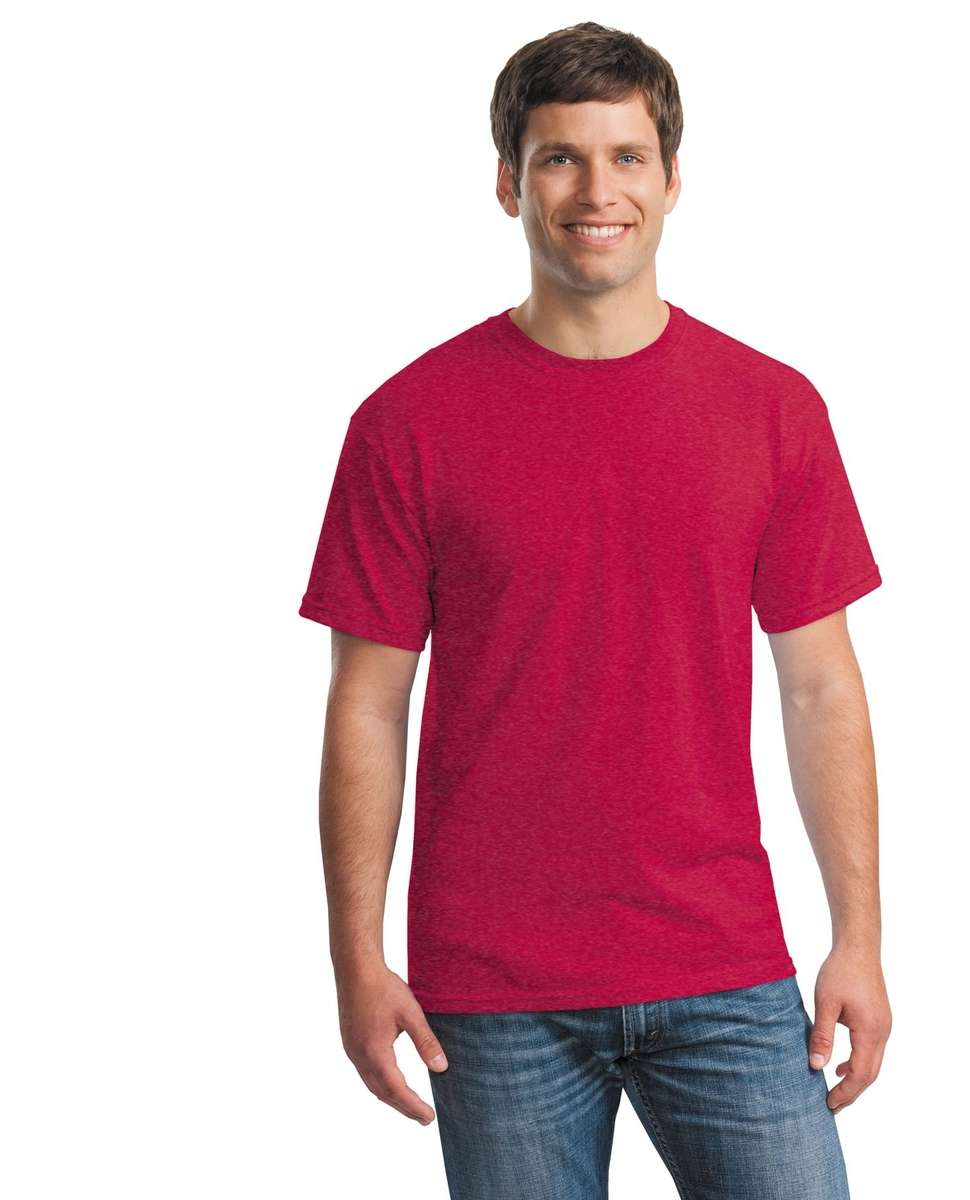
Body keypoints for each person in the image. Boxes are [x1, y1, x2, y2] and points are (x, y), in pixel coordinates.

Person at [298, 20, 891, 1199]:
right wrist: (355, 959)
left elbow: (821, 687)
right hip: (492, 988)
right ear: (508, 182)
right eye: (560, 158)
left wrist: (860, 939)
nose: (595, 190)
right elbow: (367, 706)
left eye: (626, 156)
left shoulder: (772, 410)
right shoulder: (407, 424)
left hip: (722, 963)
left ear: (673, 180)